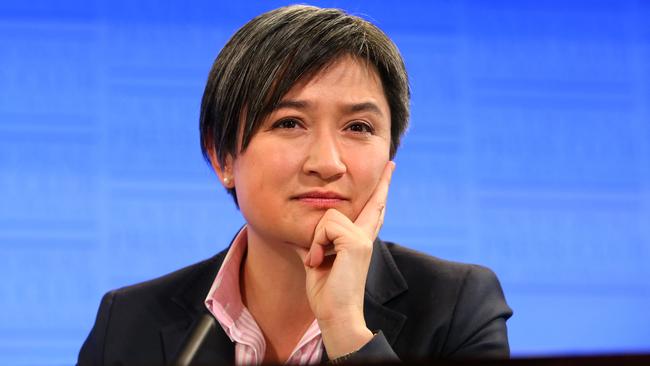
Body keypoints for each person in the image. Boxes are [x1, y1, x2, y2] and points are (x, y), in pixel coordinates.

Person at [78, 5, 512, 365]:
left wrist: (346, 327)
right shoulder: (127, 320)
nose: (327, 162)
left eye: (358, 126)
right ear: (222, 156)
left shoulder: (457, 305)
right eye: (289, 122)